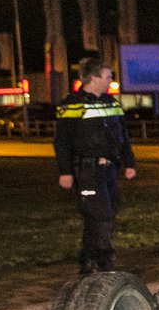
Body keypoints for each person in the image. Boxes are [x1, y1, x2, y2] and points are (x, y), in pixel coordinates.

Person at [54, 58, 136, 273]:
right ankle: (104, 264)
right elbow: (62, 141)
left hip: (109, 170)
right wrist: (66, 172)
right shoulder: (72, 103)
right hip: (87, 170)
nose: (111, 80)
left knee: (99, 217)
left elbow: (123, 137)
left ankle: (89, 264)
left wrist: (129, 162)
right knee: (101, 215)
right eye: (108, 76)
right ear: (94, 78)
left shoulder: (112, 103)